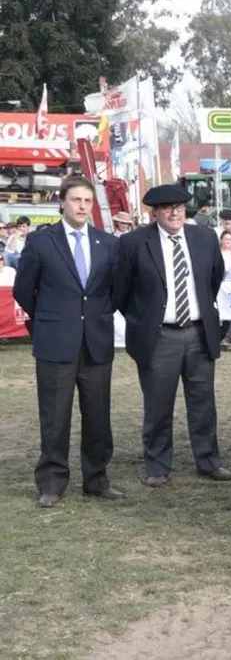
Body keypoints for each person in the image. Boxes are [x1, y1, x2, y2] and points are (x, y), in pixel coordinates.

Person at [13, 177, 123, 507]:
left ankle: (97, 479)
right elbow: (23, 290)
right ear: (62, 201)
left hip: (96, 343)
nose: (81, 206)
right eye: (76, 199)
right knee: (55, 417)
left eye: (87, 201)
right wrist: (52, 318)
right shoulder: (41, 241)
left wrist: (96, 318)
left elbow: (112, 292)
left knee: (98, 416)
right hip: (55, 343)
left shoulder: (108, 243)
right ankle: (52, 482)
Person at [114, 184, 231, 487]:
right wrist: (146, 319)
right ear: (155, 213)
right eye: (167, 207)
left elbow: (213, 278)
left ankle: (208, 461)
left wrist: (200, 313)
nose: (175, 212)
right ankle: (157, 466)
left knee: (203, 403)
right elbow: (122, 292)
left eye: (179, 206)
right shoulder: (134, 243)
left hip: (198, 333)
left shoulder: (204, 238)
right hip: (158, 338)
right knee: (158, 405)